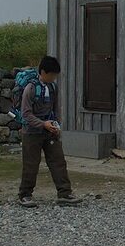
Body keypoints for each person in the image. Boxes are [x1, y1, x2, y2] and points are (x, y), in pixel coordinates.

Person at [17, 56, 81, 208]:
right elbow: (26, 114)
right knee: (31, 164)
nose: (53, 78)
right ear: (43, 72)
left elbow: (56, 108)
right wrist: (42, 124)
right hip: (31, 132)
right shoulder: (31, 89)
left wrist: (56, 125)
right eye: (52, 75)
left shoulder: (53, 88)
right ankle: (25, 194)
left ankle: (65, 193)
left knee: (58, 161)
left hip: (50, 129)